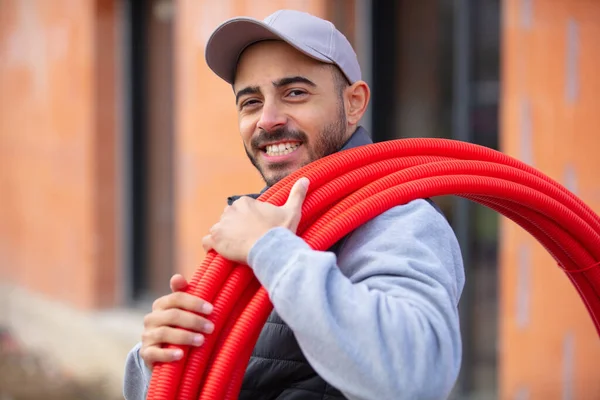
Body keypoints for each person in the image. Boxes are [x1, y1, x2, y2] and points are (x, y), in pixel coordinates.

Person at [123, 9, 465, 400]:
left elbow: (415, 377)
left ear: (354, 103)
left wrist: (271, 250)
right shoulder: (258, 228)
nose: (267, 120)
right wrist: (155, 362)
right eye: (250, 101)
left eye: (295, 93)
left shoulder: (398, 220)